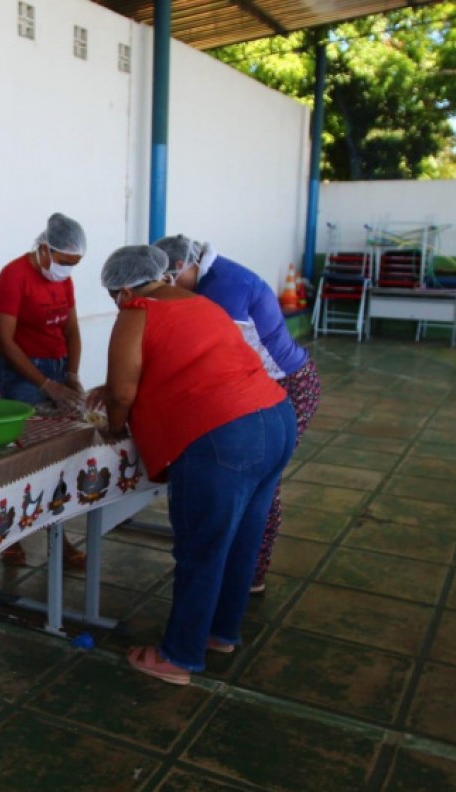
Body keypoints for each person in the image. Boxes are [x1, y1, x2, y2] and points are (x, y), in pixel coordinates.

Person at [96, 245, 296, 686]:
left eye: (115, 296)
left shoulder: (136, 311)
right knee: (243, 538)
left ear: (126, 288)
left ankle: (178, 657)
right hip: (276, 419)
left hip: (226, 436)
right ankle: (221, 633)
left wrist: (112, 427)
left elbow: (123, 394)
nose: (117, 304)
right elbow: (181, 364)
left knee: (201, 548)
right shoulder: (201, 303)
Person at [154, 235, 320, 593]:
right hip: (262, 386)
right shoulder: (209, 279)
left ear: (182, 265)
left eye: (167, 279)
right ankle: (237, 571)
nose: (165, 290)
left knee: (261, 480)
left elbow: (209, 355)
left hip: (288, 386)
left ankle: (249, 573)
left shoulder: (225, 288)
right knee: (252, 479)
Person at [0, 212, 88, 570]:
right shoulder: (15, 275)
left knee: (59, 460)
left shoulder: (63, 280)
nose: (66, 271)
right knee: (25, 461)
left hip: (57, 365)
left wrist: (72, 373)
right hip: (22, 372)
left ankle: (57, 538)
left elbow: (72, 330)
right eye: (64, 262)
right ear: (45, 249)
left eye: (74, 265)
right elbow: (4, 339)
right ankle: (8, 538)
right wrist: (43, 383)